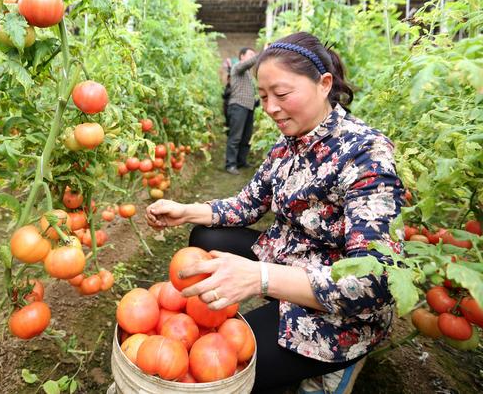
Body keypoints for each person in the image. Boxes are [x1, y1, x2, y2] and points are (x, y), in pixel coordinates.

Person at [146, 31, 405, 394]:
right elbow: (248, 204)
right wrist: (188, 210)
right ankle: (275, 312)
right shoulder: (287, 146)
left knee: (239, 370)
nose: (269, 108)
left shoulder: (367, 154)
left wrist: (260, 277)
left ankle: (341, 364)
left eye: (281, 95)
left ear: (324, 84)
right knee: (205, 237)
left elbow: (374, 281)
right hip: (290, 264)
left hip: (343, 309)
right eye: (264, 97)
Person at [225, 47, 259, 175]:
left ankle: (241, 161)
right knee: (235, 137)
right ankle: (230, 164)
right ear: (242, 56)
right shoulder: (237, 67)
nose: (253, 56)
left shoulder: (248, 74)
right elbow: (248, 64)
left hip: (248, 107)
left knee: (246, 137)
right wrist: (263, 53)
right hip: (238, 106)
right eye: (250, 54)